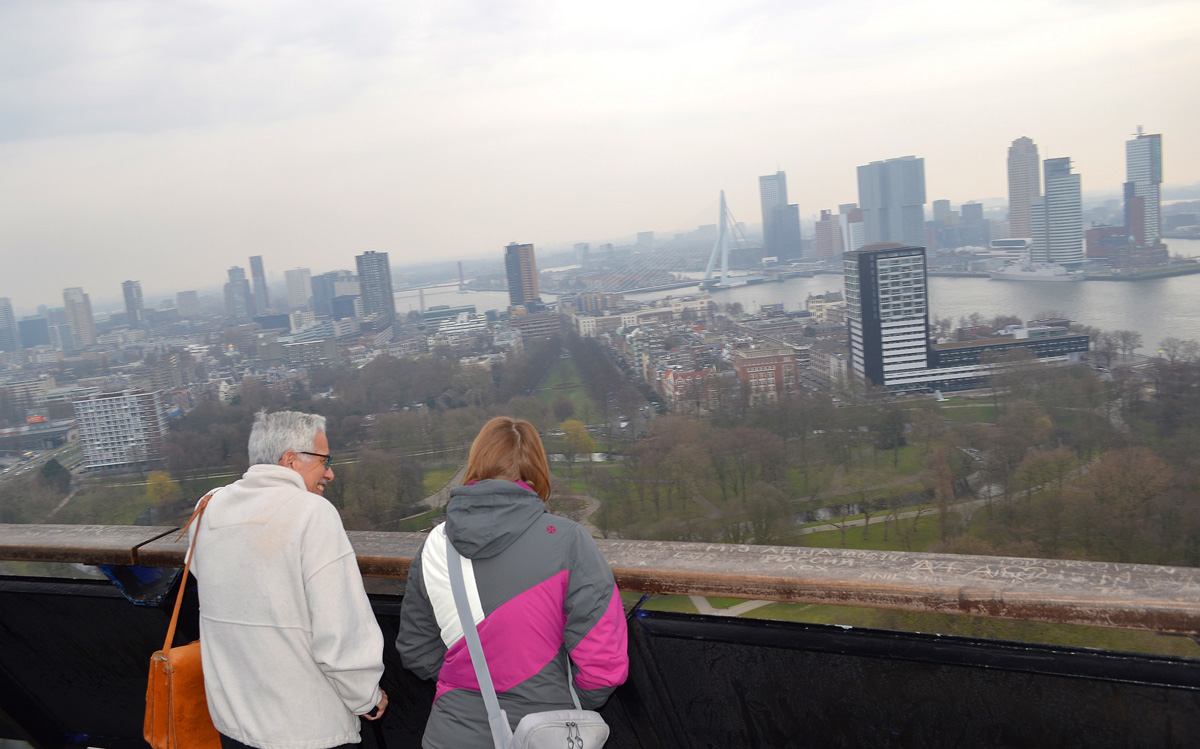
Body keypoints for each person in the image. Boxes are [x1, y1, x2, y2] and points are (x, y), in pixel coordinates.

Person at [397, 416, 628, 748]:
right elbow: (604, 663)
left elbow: (416, 648)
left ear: (476, 465)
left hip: (450, 733)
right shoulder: (568, 541)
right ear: (537, 472)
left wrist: (465, 682)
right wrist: (562, 697)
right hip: (543, 734)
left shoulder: (435, 544)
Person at [190, 410, 388, 749]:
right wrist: (366, 697)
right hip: (307, 730)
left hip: (234, 724)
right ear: (291, 460)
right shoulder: (313, 514)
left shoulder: (209, 507)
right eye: (325, 460)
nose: (330, 473)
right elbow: (339, 633)